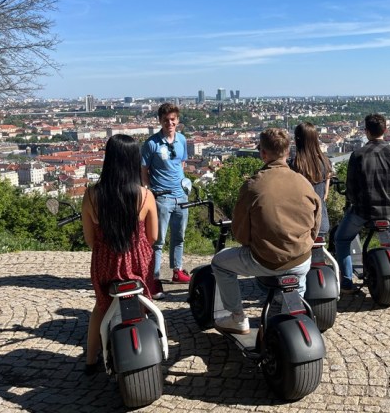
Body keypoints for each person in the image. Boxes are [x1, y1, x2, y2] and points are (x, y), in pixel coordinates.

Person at [211, 128, 322, 334]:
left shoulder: (253, 185)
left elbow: (241, 233)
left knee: (219, 263)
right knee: (296, 285)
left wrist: (253, 243)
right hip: (301, 259)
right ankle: (288, 313)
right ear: (288, 152)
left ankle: (237, 318)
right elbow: (315, 224)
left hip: (265, 261)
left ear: (263, 153)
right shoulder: (304, 184)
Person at [81, 134, 158, 374]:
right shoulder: (145, 196)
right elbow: (153, 237)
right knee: (143, 305)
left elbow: (89, 239)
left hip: (105, 262)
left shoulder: (92, 195)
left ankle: (91, 361)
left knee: (101, 309)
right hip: (137, 262)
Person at [334, 113, 390, 294]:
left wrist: (351, 202)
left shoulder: (358, 155)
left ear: (366, 132)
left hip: (363, 211)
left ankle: (347, 283)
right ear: (386, 130)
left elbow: (351, 188)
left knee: (341, 239)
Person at [141, 103, 190, 299]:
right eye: (166, 120)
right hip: (161, 196)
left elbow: (182, 162)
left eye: (173, 119)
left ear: (177, 120)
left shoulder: (182, 140)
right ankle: (153, 277)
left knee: (179, 237)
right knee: (157, 240)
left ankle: (177, 270)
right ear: (160, 121)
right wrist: (149, 191)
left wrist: (184, 184)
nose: (170, 123)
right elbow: (143, 170)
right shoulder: (151, 143)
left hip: (181, 195)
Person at [292, 122, 332, 238]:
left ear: (297, 140)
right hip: (321, 223)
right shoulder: (326, 163)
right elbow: (325, 195)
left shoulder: (294, 165)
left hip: (299, 225)